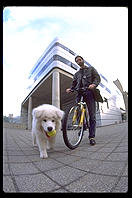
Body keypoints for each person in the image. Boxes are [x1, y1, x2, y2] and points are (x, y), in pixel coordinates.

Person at [66, 55, 101, 146]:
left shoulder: (91, 69)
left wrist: (94, 84)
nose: (78, 61)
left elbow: (97, 78)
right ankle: (83, 126)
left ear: (82, 60)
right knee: (77, 110)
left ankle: (91, 137)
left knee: (92, 115)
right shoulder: (76, 74)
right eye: (77, 61)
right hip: (79, 92)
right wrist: (71, 88)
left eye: (79, 60)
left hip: (89, 92)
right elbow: (74, 83)